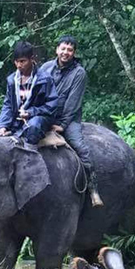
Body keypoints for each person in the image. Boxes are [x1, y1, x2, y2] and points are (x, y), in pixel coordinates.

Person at [40, 35, 102, 207]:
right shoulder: (46, 68)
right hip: (45, 114)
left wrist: (62, 125)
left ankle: (92, 187)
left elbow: (73, 103)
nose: (65, 52)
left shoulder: (79, 73)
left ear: (74, 53)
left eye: (70, 50)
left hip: (69, 118)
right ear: (57, 49)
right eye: (63, 48)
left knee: (80, 146)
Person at [0, 41, 58, 146]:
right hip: (17, 119)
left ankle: (32, 158)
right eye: (16, 61)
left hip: (38, 118)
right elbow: (8, 105)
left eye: (22, 61)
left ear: (32, 59)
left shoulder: (45, 79)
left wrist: (30, 112)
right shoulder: (12, 80)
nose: (19, 65)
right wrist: (3, 126)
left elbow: (52, 105)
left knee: (33, 130)